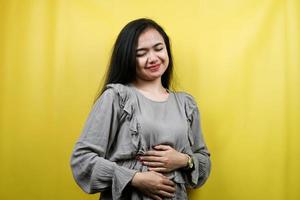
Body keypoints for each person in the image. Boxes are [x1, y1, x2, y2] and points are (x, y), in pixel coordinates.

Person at [70, 18, 211, 200]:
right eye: (141, 53)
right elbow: (82, 160)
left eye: (159, 48)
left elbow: (204, 160)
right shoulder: (116, 97)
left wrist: (185, 160)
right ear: (128, 57)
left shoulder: (186, 103)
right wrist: (135, 178)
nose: (153, 58)